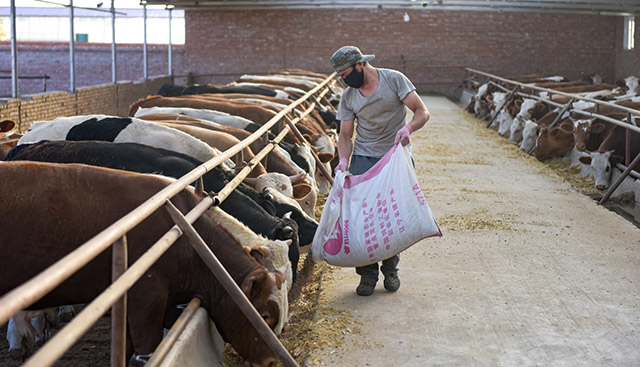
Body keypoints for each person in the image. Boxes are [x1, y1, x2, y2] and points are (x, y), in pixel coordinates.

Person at [330, 45, 430, 296]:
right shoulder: (349, 96)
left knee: (392, 216)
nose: (344, 80)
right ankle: (367, 275)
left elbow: (422, 111)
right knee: (362, 219)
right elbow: (345, 134)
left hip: (395, 157)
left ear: (360, 64)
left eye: (345, 74)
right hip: (364, 158)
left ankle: (391, 270)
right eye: (340, 77)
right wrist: (343, 161)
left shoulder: (394, 80)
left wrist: (408, 129)